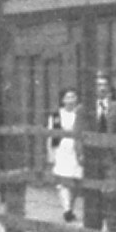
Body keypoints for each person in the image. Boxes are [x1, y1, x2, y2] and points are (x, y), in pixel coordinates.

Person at [89, 77, 116, 231]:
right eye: (98, 85)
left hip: (111, 154)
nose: (102, 88)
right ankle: (94, 223)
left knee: (112, 190)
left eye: (105, 85)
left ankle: (112, 224)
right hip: (92, 154)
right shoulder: (87, 107)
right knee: (94, 190)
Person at [47, 87, 83, 223]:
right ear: (62, 100)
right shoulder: (56, 115)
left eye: (73, 97)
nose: (70, 100)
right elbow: (51, 135)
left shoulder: (80, 114)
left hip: (76, 148)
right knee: (63, 181)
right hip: (61, 149)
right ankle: (66, 209)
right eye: (67, 97)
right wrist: (50, 154)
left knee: (75, 180)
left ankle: (70, 208)